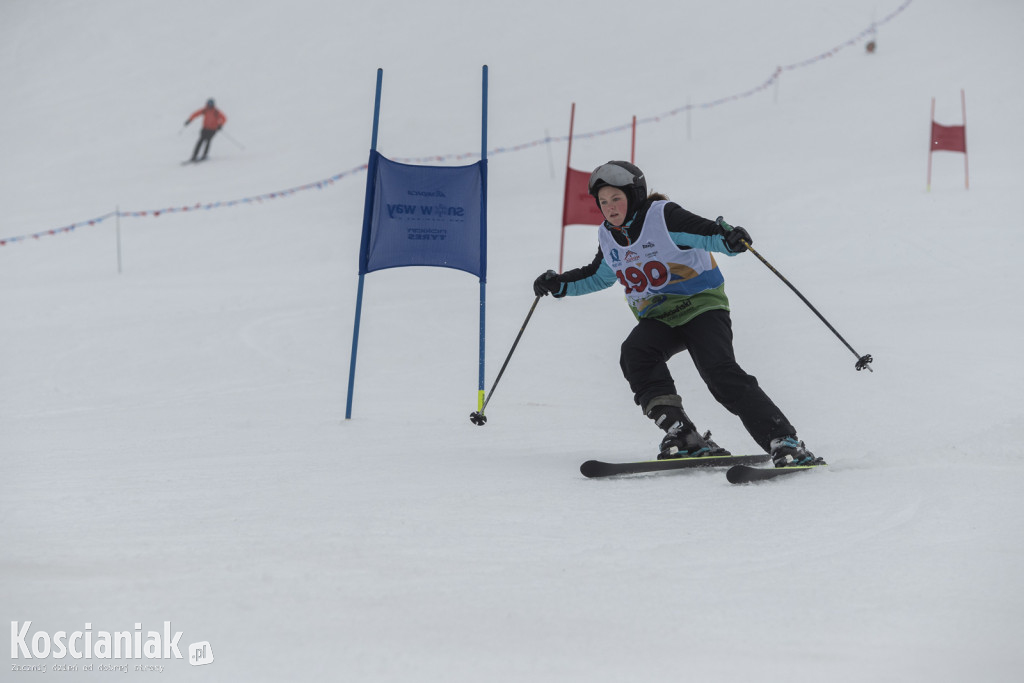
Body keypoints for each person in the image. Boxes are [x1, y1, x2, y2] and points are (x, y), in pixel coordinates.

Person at [533, 160, 822, 467]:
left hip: (701, 306)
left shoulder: (663, 217)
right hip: (659, 317)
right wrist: (560, 284)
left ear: (634, 196)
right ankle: (683, 434)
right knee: (636, 353)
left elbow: (706, 232)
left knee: (719, 372)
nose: (610, 208)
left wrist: (729, 239)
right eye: (603, 202)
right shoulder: (609, 236)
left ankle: (784, 440)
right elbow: (599, 275)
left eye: (616, 198)